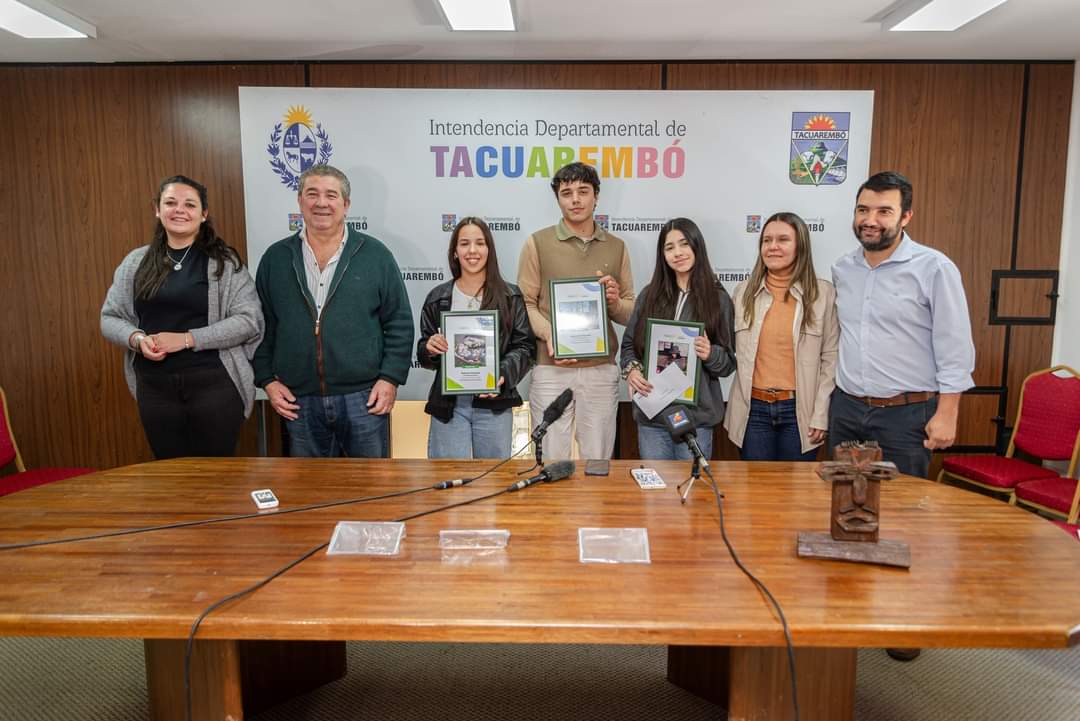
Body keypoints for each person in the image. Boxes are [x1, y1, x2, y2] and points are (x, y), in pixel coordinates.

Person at [830, 171, 975, 662]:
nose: (871, 220)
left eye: (884, 211)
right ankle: (851, 609)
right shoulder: (843, 268)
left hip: (907, 413)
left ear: (906, 216)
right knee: (848, 514)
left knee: (907, 519)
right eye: (863, 209)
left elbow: (955, 347)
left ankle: (905, 622)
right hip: (848, 408)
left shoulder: (934, 268)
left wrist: (948, 412)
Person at [252, 164, 414, 458]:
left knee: (371, 483)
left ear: (346, 204)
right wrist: (267, 381)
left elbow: (399, 322)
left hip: (364, 398)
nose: (321, 203)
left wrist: (390, 378)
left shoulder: (376, 255)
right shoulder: (276, 258)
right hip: (298, 399)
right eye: (312, 194)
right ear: (300, 200)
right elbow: (262, 326)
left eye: (331, 195)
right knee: (310, 484)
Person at [101, 175, 264, 459]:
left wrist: (187, 339)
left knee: (217, 474)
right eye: (170, 203)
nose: (179, 210)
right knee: (170, 472)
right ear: (157, 209)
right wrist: (137, 339)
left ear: (203, 214)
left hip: (215, 385)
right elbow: (110, 317)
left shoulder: (225, 263)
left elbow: (249, 320)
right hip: (155, 388)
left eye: (190, 204)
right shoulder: (135, 262)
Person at [517, 162, 636, 460]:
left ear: (596, 196)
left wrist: (613, 301)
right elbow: (525, 304)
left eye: (583, 191)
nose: (575, 200)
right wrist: (551, 336)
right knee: (551, 461)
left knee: (597, 461)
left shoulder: (617, 247)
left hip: (600, 370)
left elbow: (629, 312)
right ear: (558, 199)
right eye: (566, 193)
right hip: (551, 367)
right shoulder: (537, 243)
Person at [416, 218, 536, 458]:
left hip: (494, 404)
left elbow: (525, 348)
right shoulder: (438, 298)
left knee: (493, 477)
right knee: (449, 475)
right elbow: (425, 352)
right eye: (464, 244)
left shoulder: (510, 296)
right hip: (449, 405)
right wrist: (430, 348)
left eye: (480, 243)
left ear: (489, 250)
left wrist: (501, 374)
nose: (472, 250)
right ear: (455, 252)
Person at [724, 212, 839, 461]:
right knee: (755, 484)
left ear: (800, 246)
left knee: (796, 486)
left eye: (783, 240)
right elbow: (725, 350)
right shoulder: (742, 293)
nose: (772, 246)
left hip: (800, 412)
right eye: (767, 240)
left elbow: (831, 359)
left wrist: (821, 413)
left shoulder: (823, 294)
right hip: (753, 412)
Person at [620, 218, 736, 460]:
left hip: (696, 418)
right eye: (669, 247)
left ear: (697, 247)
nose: (678, 253)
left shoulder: (718, 299)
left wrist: (710, 353)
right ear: (662, 255)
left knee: (692, 483)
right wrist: (631, 370)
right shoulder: (649, 295)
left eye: (684, 244)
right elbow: (629, 345)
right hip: (652, 415)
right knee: (656, 483)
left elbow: (727, 363)